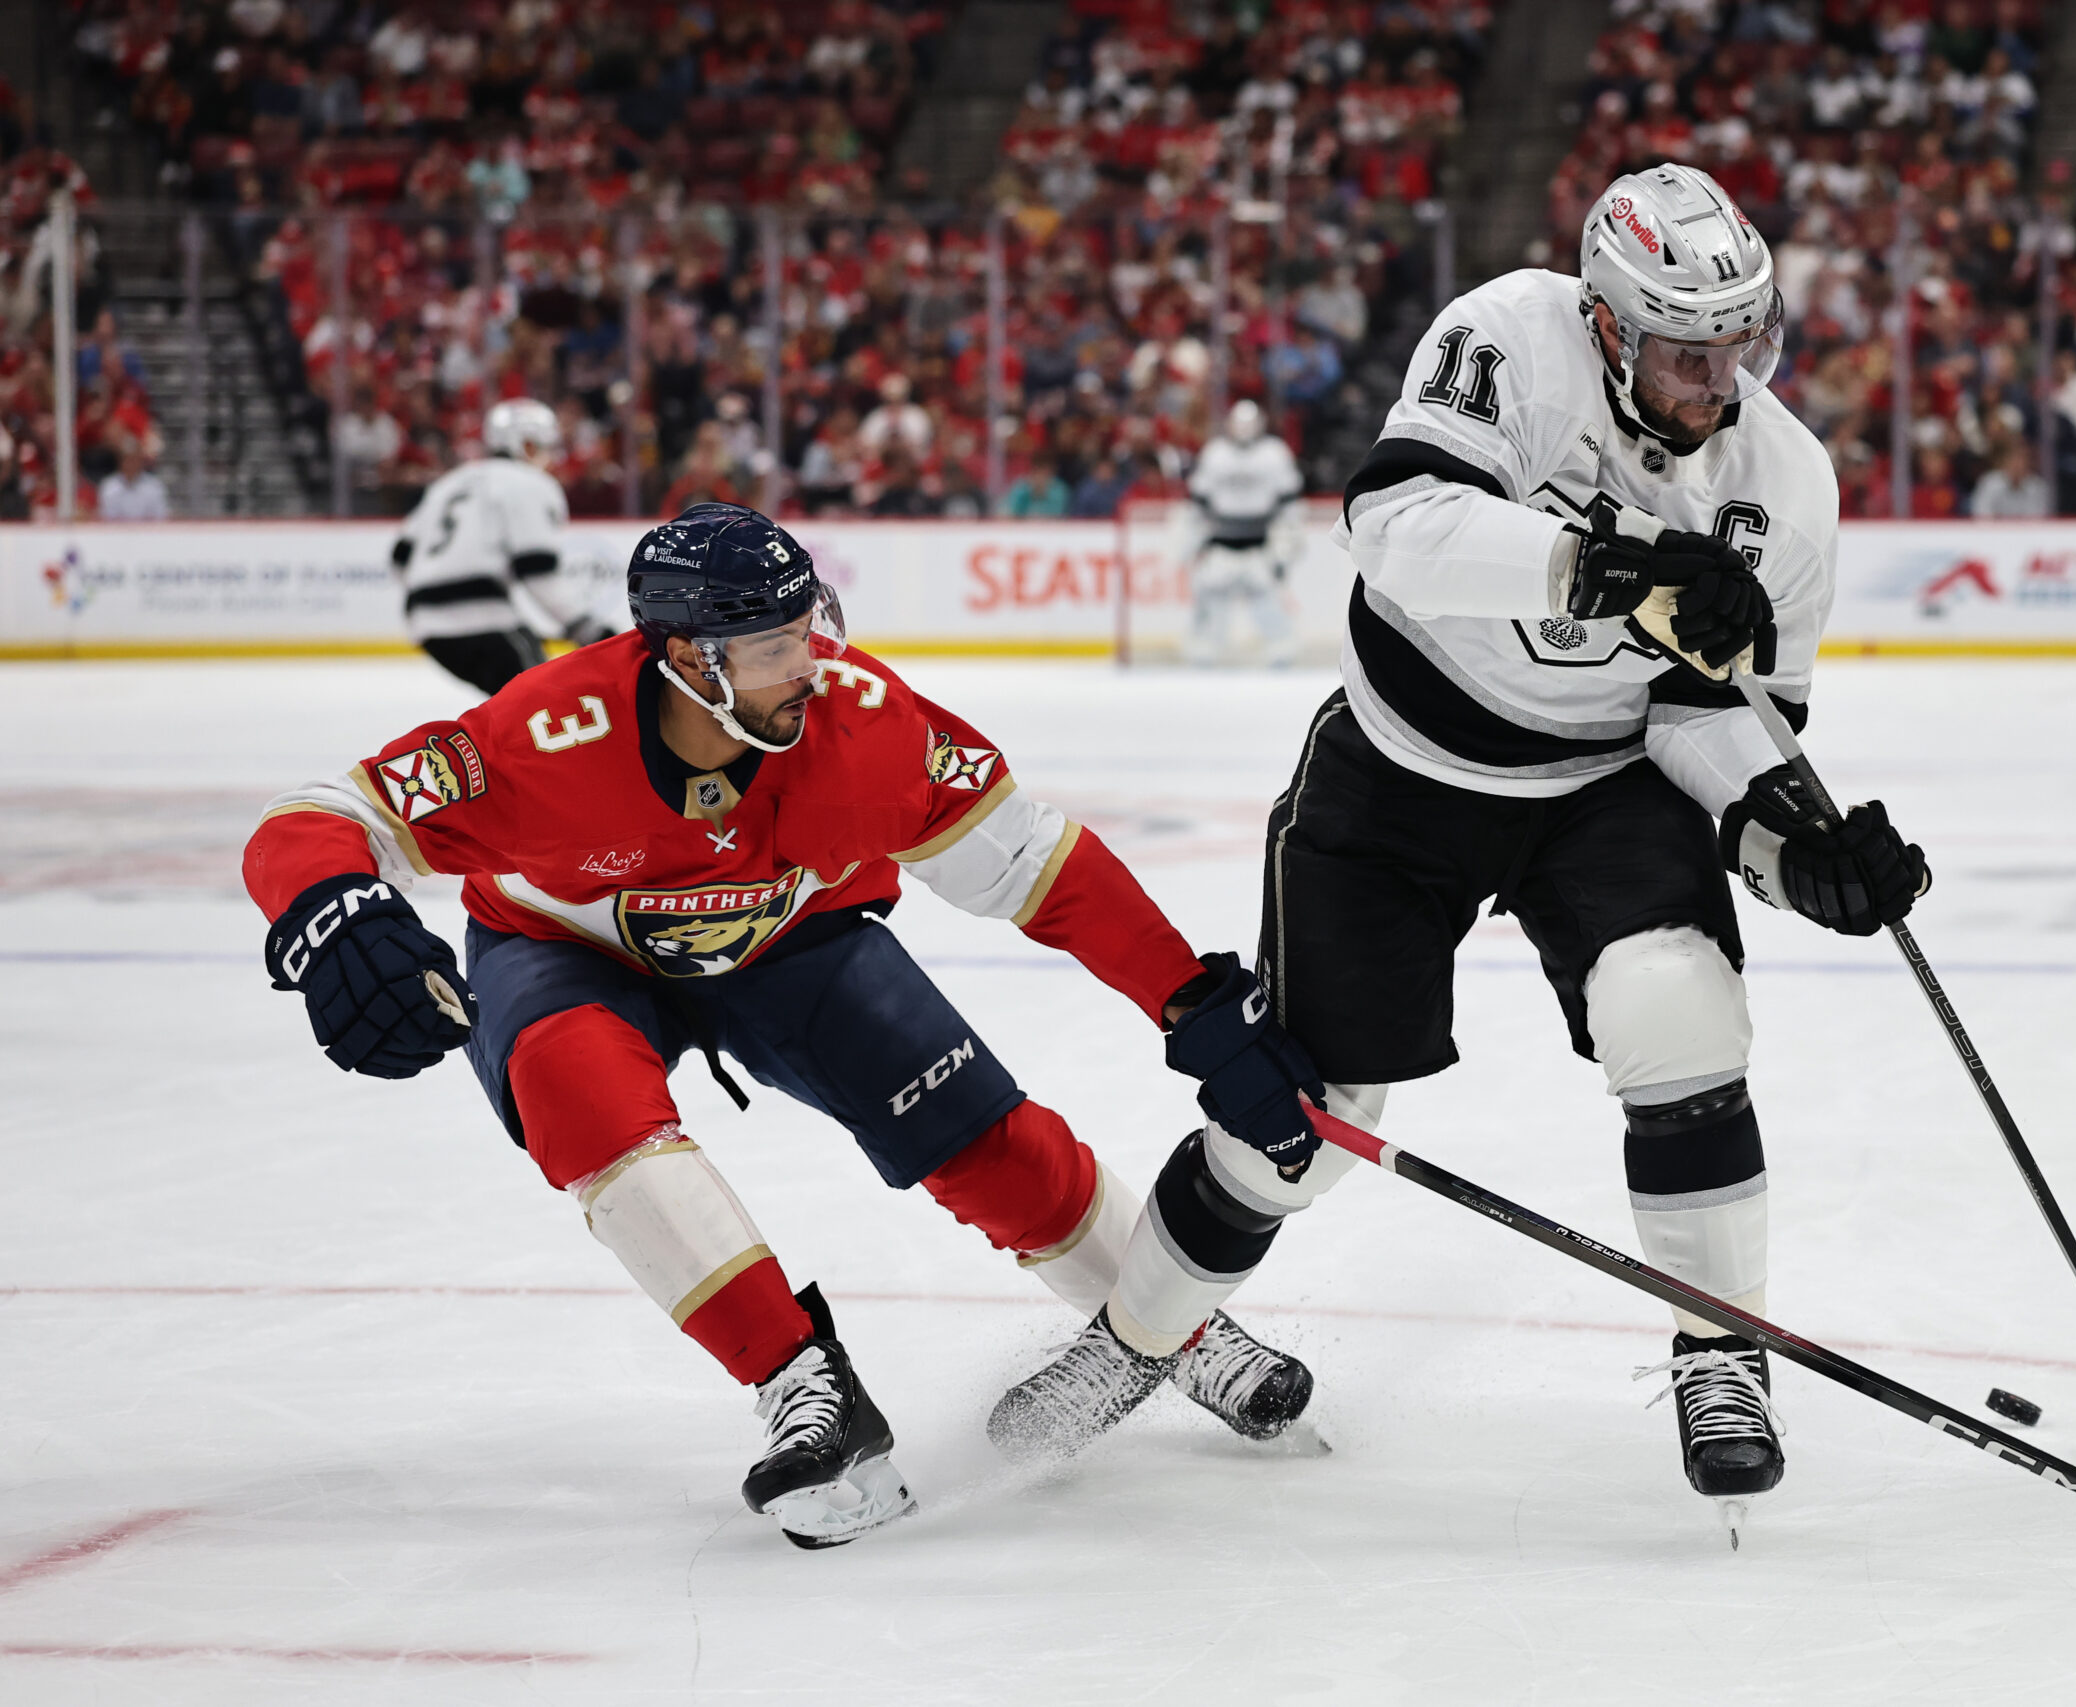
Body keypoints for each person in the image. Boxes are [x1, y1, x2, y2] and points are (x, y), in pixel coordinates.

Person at [992, 165, 1931, 1540]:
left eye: (1746, 343)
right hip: (1402, 768)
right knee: (1304, 1131)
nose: (1719, 381)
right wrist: (1615, 564)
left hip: (1603, 780)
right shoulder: (1515, 335)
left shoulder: (1785, 478)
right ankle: (1134, 1341)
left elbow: (1724, 714)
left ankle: (1721, 1349)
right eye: (1686, 350)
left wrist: (1793, 849)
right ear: (1609, 326)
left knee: (1677, 1009)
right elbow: (1396, 525)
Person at [240, 503, 1323, 1549]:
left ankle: (1175, 1325)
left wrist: (1187, 999)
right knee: (579, 1096)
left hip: (795, 937)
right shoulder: (543, 734)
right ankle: (801, 1383)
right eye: (765, 646)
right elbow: (322, 819)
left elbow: (1039, 867)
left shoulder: (867, 723)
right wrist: (335, 918)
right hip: (567, 951)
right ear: (678, 656)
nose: (802, 664)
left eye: (805, 629)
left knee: (978, 1135)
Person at [391, 401, 610, 695]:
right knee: (547, 710)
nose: (552, 458)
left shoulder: (449, 483)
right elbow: (538, 574)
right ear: (527, 445)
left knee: (519, 711)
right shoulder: (529, 483)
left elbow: (399, 557)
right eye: (545, 447)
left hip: (424, 627)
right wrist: (589, 630)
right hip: (482, 620)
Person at [1183, 399, 1304, 666]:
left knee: (1268, 601)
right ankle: (1204, 652)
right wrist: (1192, 540)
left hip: (1259, 544)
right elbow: (1198, 503)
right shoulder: (1215, 454)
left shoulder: (1274, 453)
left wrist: (1287, 545)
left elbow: (1289, 505)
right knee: (1212, 600)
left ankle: (1281, 650)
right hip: (1221, 544)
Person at [97, 444, 172, 520]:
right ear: (120, 462)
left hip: (149, 531)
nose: (131, 464)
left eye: (134, 460)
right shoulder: (109, 487)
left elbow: (160, 516)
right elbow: (107, 518)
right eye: (127, 460)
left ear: (141, 462)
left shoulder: (154, 486)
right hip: (117, 531)